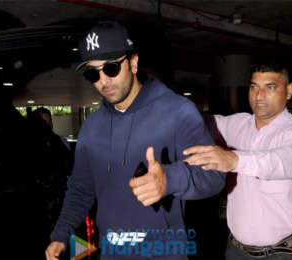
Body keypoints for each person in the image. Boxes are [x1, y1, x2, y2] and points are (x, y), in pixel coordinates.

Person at [45, 21, 225, 260]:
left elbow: (213, 176)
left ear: (133, 63)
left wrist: (169, 180)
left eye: (110, 68)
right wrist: (61, 233)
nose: (103, 81)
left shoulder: (178, 112)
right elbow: (81, 189)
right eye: (92, 73)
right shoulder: (91, 128)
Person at [183, 61, 292, 259]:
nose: (259, 96)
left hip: (285, 253)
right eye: (254, 87)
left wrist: (235, 160)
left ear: (289, 91)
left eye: (270, 87)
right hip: (236, 251)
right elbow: (200, 123)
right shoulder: (237, 124)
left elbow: (290, 160)